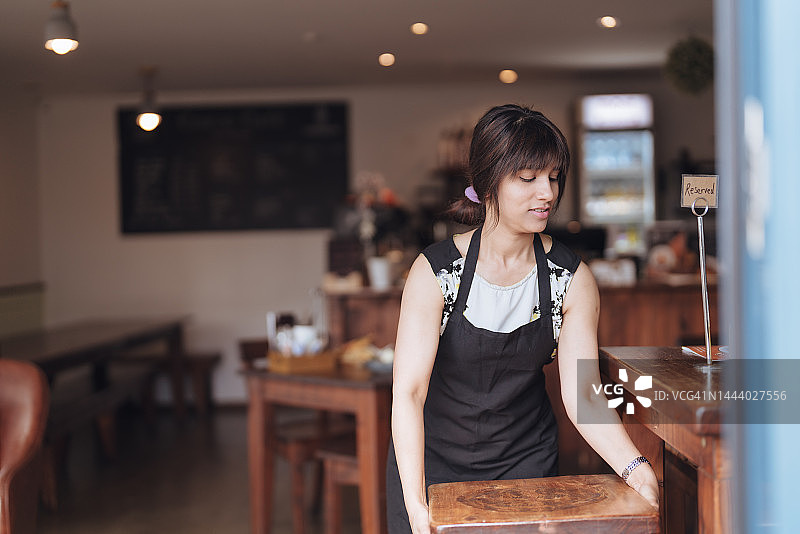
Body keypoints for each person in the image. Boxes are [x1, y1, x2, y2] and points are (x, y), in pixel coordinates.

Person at [387, 104, 659, 534]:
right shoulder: (436, 273)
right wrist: (416, 505)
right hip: (432, 469)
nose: (547, 193)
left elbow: (583, 395)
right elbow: (409, 394)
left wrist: (635, 468)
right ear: (487, 182)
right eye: (528, 178)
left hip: (526, 465)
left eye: (553, 177)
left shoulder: (570, 279)